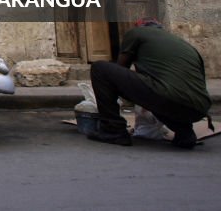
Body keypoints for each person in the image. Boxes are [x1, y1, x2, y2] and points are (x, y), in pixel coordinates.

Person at [88, 18, 211, 149]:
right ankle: (185, 132)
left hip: (167, 96)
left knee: (100, 69)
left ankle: (113, 130)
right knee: (163, 91)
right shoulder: (185, 45)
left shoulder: (137, 33)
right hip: (199, 108)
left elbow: (120, 68)